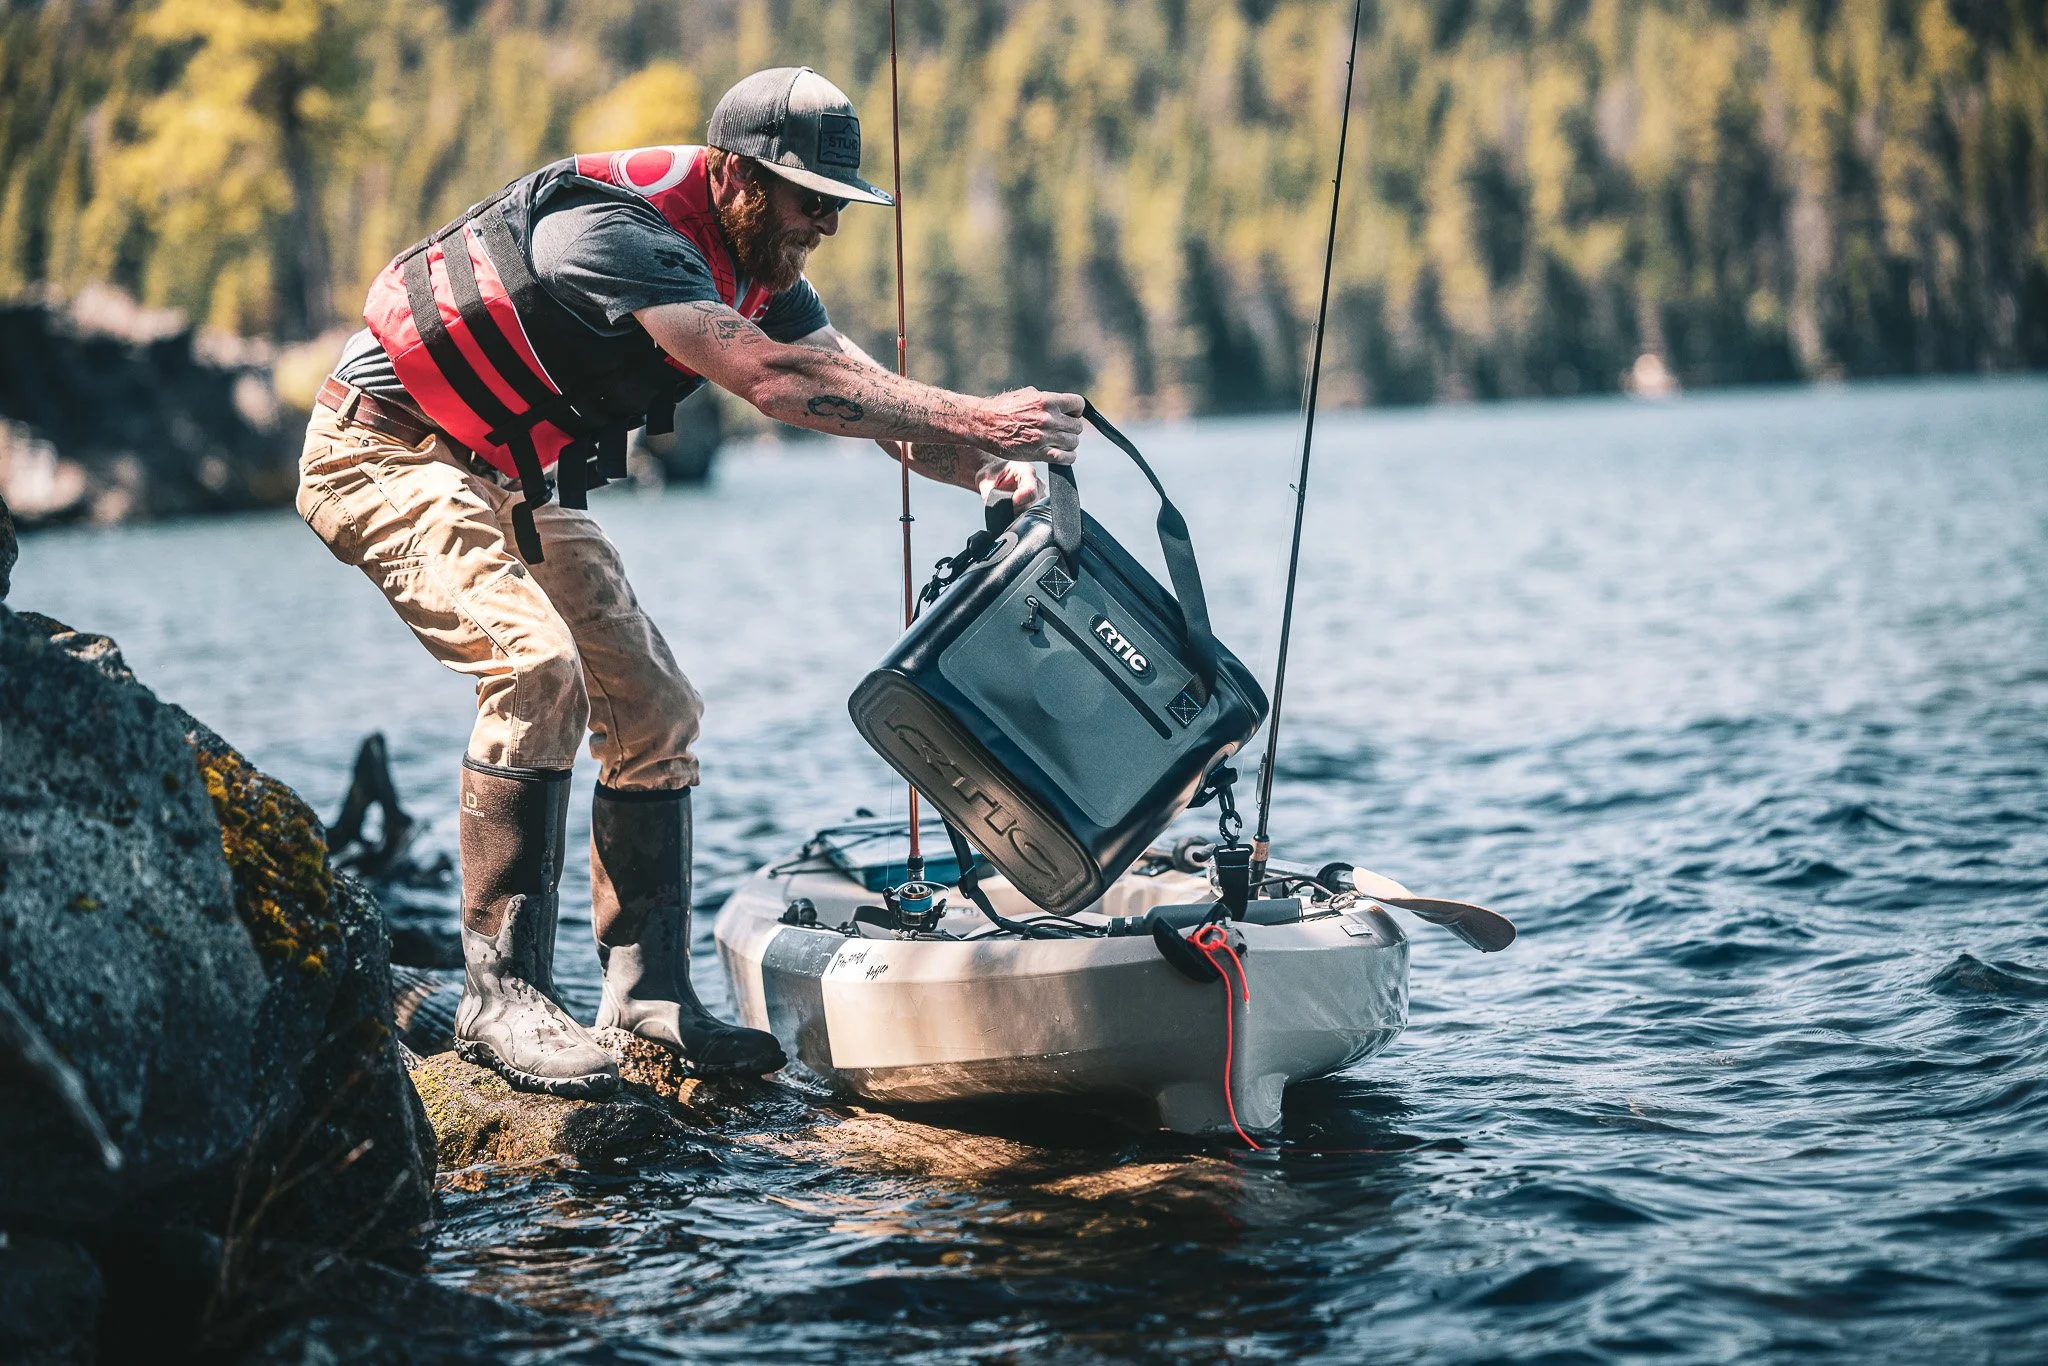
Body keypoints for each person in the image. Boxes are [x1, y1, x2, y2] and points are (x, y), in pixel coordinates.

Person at [299, 66, 1085, 1099]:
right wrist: (981, 414)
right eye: (810, 202)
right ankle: (502, 998)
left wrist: (985, 464)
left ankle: (646, 1001)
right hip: (384, 453)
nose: (826, 227)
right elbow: (774, 381)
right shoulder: (609, 232)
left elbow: (864, 395)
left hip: (510, 476)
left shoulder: (760, 264)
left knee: (655, 708)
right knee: (536, 671)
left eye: (837, 206)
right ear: (735, 179)